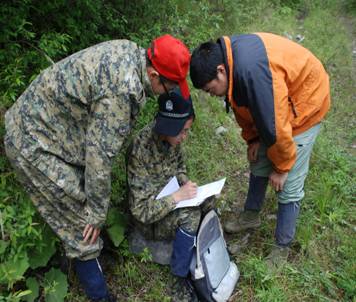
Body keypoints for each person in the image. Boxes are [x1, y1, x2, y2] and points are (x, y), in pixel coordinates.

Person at [4, 34, 191, 301]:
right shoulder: (121, 93)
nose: (170, 93)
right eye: (170, 86)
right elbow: (99, 159)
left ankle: (79, 259)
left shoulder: (131, 53)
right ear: (153, 74)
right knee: (83, 225)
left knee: (81, 205)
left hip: (52, 130)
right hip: (33, 143)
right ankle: (100, 295)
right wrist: (95, 212)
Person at [190, 32, 330, 268]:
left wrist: (282, 167)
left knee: (288, 184)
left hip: (305, 102)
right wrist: (254, 138)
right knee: (259, 160)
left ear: (221, 70)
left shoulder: (252, 72)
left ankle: (282, 248)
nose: (209, 94)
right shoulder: (233, 65)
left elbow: (275, 127)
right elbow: (243, 103)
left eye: (208, 88)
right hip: (279, 103)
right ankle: (250, 217)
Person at [127, 89, 213, 301]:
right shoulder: (140, 149)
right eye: (182, 131)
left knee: (209, 200)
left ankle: (208, 258)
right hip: (149, 221)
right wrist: (177, 197)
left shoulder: (172, 140)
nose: (184, 137)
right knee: (191, 216)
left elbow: (180, 166)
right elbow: (141, 212)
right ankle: (178, 281)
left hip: (169, 200)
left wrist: (184, 182)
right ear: (168, 127)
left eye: (187, 131)